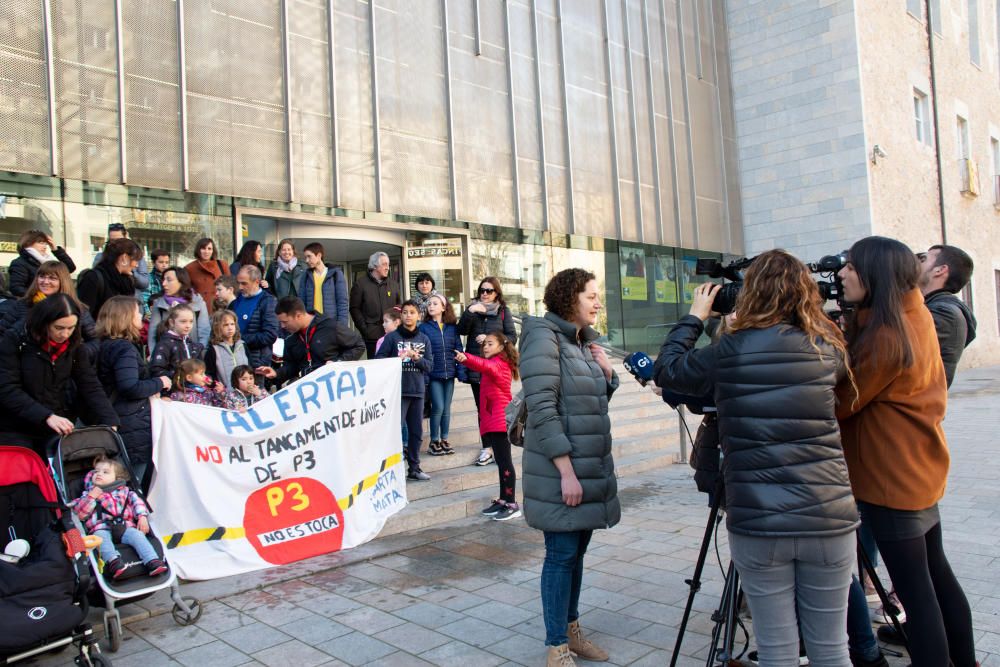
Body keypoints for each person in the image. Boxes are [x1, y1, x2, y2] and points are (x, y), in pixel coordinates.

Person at [653, 250, 860, 665]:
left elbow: (668, 370)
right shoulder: (828, 348)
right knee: (832, 647)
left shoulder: (729, 352)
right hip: (828, 517)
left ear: (749, 295)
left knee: (778, 648)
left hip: (759, 520)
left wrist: (696, 316)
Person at [835, 236, 976, 667]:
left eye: (851, 267)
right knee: (936, 576)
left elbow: (843, 401)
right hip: (917, 469)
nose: (841, 274)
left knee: (917, 590)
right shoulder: (910, 312)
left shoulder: (887, 335)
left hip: (892, 477)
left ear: (874, 275)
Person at [518, 268, 617, 667]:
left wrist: (608, 375)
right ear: (569, 298)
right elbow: (542, 408)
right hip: (563, 470)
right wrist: (566, 472)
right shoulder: (543, 337)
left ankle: (572, 632)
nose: (598, 303)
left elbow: (589, 402)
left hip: (589, 466)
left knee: (575, 554)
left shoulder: (581, 342)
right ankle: (556, 646)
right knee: (560, 555)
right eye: (591, 296)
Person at [0, 294, 119, 455]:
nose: (65, 334)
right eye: (59, 328)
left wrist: (110, 420)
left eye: (71, 328)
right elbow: (7, 388)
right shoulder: (15, 339)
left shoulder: (74, 345)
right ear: (44, 323)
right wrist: (46, 416)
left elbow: (89, 383)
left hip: (55, 423)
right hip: (16, 428)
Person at [95, 296, 171, 492]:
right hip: (131, 423)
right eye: (137, 312)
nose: (140, 316)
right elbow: (129, 386)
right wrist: (159, 383)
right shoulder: (124, 349)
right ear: (125, 317)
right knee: (131, 482)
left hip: (120, 419)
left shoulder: (103, 345)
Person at [456, 331, 520, 521]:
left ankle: (512, 504)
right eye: (484, 344)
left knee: (505, 462)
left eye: (490, 344)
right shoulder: (496, 363)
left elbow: (483, 364)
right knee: (501, 462)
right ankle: (503, 499)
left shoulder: (499, 364)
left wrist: (465, 357)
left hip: (500, 421)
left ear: (501, 347)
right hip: (492, 420)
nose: (485, 347)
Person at [70, 456, 167, 579]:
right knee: (101, 540)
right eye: (96, 471)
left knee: (138, 536)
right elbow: (80, 515)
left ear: (117, 478)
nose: (99, 474)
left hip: (125, 526)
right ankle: (114, 562)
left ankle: (152, 561)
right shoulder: (87, 495)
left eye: (105, 472)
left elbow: (138, 504)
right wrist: (91, 497)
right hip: (101, 528)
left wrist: (142, 517)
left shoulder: (126, 492)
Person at [458, 276, 517, 466]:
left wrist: (492, 339)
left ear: (496, 293)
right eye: (482, 290)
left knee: (496, 408)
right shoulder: (473, 309)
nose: (485, 294)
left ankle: (498, 446)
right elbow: (462, 330)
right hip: (477, 366)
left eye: (489, 291)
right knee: (482, 409)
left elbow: (511, 337)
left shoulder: (503, 311)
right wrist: (470, 311)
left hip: (497, 368)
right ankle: (487, 447)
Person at [376, 300, 433, 482]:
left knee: (416, 432)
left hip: (417, 391)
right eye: (405, 312)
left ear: (419, 316)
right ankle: (391, 469)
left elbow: (430, 366)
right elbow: (379, 359)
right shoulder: (392, 338)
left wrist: (416, 358)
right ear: (400, 316)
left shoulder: (424, 339)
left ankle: (414, 468)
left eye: (412, 312)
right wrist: (396, 360)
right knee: (394, 432)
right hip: (397, 392)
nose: (409, 315)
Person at [255, 297, 365, 386]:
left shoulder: (330, 326)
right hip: (308, 392)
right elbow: (292, 366)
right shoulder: (290, 339)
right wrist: (276, 373)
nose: (282, 326)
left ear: (298, 316)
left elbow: (358, 345)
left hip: (334, 388)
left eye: (285, 322)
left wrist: (338, 362)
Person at [0, 261, 99, 357]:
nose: (45, 282)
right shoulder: (23, 304)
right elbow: (2, 332)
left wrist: (76, 354)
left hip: (65, 368)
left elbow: (95, 340)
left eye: (52, 278)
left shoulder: (77, 308)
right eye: (42, 276)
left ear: (63, 281)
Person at [918, 244, 976, 388]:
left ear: (940, 270)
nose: (914, 263)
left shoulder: (945, 313)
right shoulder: (937, 307)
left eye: (922, 259)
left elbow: (895, 349)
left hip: (913, 406)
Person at [419, 295, 465, 456]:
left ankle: (444, 439)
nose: (431, 306)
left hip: (449, 373)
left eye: (435, 303)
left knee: (446, 408)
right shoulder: (423, 327)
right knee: (437, 406)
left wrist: (460, 371)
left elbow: (458, 348)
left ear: (444, 308)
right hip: (433, 374)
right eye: (429, 304)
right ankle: (434, 440)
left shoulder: (452, 328)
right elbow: (421, 351)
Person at [231, 266, 278, 383]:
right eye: (239, 283)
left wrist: (240, 340)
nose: (240, 287)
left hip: (256, 364)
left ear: (257, 282)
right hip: (236, 361)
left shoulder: (268, 302)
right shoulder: (235, 302)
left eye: (244, 283)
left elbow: (270, 335)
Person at [350, 250, 402, 358]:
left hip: (394, 335)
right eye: (384, 264)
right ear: (374, 266)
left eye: (388, 264)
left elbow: (398, 307)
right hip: (372, 337)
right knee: (376, 368)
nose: (388, 267)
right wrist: (366, 330)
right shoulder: (360, 284)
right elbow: (354, 309)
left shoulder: (393, 285)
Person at [147, 266, 211, 350]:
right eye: (163, 280)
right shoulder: (159, 303)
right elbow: (153, 334)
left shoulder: (198, 302)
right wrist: (155, 356)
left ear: (181, 282)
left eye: (169, 280)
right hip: (166, 356)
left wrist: (199, 352)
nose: (164, 284)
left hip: (193, 355)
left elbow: (204, 332)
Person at [76, 238, 142, 318]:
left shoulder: (126, 280)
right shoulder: (93, 278)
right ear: (124, 258)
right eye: (135, 260)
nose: (136, 265)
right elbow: (84, 315)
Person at [8, 229, 76, 297]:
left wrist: (55, 250)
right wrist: (36, 297)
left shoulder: (46, 260)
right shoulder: (20, 263)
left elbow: (69, 268)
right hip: (33, 304)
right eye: (41, 242)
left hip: (53, 301)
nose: (45, 246)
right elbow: (16, 287)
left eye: (46, 243)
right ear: (28, 243)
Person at [149, 303, 206, 380]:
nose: (188, 325)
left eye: (191, 321)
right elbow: (157, 371)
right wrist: (180, 378)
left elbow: (201, 370)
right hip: (173, 390)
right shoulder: (164, 345)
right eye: (183, 321)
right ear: (172, 322)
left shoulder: (194, 346)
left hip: (194, 389)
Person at [298, 242, 349, 325]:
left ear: (319, 255)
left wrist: (342, 326)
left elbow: (342, 302)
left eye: (309, 256)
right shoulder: (305, 276)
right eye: (305, 257)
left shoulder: (335, 274)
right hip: (312, 325)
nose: (306, 260)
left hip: (330, 324)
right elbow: (301, 303)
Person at [92, 223, 150, 292]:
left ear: (126, 238)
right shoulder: (101, 256)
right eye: (112, 241)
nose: (115, 244)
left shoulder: (136, 255)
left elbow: (144, 283)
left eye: (119, 240)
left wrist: (130, 271)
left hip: (132, 299)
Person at [204, 310, 248, 391]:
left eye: (232, 324)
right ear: (217, 327)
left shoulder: (242, 345)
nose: (230, 328)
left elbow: (249, 368)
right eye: (225, 325)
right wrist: (217, 386)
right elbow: (210, 374)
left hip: (245, 392)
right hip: (225, 394)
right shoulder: (213, 350)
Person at [184, 237, 229, 313]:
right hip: (200, 309)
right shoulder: (189, 268)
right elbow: (186, 291)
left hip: (220, 307)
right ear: (198, 250)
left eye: (209, 248)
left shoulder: (222, 265)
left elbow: (230, 286)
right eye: (203, 248)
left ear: (213, 251)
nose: (206, 251)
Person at [139, 249, 170, 317]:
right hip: (154, 315)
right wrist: (149, 316)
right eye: (161, 262)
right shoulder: (149, 278)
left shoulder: (172, 278)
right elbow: (144, 300)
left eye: (167, 262)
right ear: (153, 262)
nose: (164, 265)